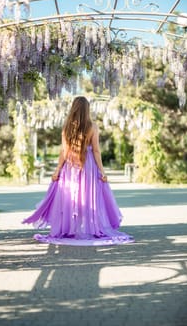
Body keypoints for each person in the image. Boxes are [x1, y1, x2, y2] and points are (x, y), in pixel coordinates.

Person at [22, 96, 134, 245]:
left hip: (70, 166)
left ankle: (71, 229)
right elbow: (96, 151)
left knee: (71, 198)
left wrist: (57, 171)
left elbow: (64, 151)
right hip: (88, 166)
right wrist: (102, 171)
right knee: (87, 197)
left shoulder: (67, 127)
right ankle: (89, 228)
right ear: (87, 110)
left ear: (73, 109)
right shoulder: (93, 127)